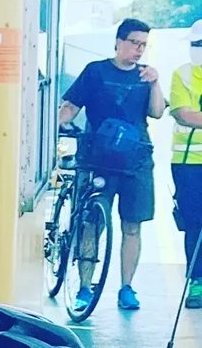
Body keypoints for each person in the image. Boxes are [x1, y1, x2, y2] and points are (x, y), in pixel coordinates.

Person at [58, 17, 166, 313]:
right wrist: (55, 125)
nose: (139, 49)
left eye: (143, 45)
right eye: (134, 43)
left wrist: (155, 82)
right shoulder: (95, 71)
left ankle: (127, 287)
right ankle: (84, 287)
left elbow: (157, 112)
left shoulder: (146, 76)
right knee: (91, 223)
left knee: (133, 226)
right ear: (118, 42)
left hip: (136, 160)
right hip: (98, 158)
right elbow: (71, 106)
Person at [169, 19, 202, 308]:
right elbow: (184, 114)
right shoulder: (183, 74)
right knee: (194, 224)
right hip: (188, 162)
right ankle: (197, 282)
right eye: (196, 44)